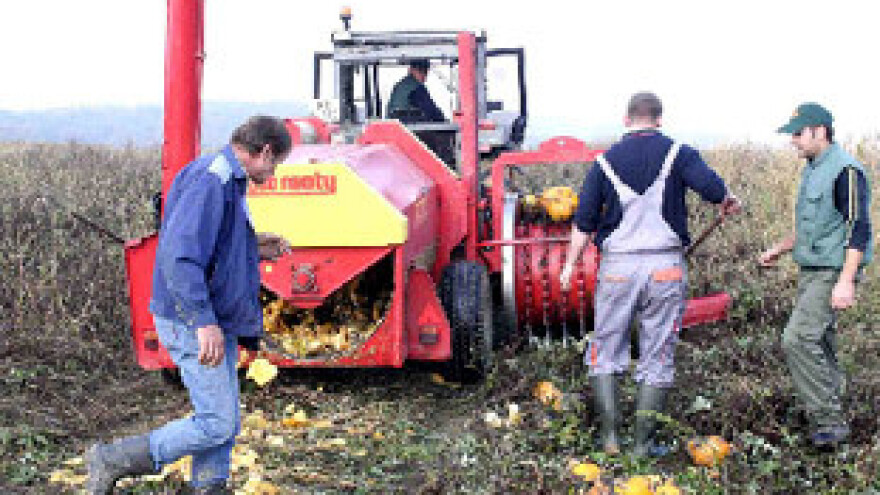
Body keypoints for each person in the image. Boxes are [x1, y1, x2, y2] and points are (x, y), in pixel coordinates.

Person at [86, 116, 293, 494]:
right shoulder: (210, 182)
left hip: (213, 315)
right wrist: (203, 322)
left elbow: (209, 245)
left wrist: (254, 246)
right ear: (264, 151)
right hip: (192, 318)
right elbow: (180, 257)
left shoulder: (224, 179)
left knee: (224, 417)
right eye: (275, 165)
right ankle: (114, 458)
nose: (273, 174)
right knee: (216, 421)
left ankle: (209, 485)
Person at [560, 92, 741, 456]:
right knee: (657, 352)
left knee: (606, 347)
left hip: (617, 271)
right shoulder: (679, 154)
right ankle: (643, 445)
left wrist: (568, 266)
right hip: (665, 269)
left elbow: (584, 222)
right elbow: (714, 189)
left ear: (626, 120)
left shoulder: (604, 162)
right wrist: (727, 199)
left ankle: (610, 438)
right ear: (659, 120)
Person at [760, 103, 872, 448]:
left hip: (832, 271)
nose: (793, 141)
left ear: (819, 131)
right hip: (812, 269)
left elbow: (860, 229)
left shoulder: (846, 171)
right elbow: (819, 226)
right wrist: (779, 248)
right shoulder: (812, 168)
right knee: (820, 342)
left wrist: (846, 281)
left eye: (798, 134)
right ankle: (832, 413)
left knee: (797, 338)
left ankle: (829, 421)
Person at [386, 59, 445, 123]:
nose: (424, 75)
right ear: (411, 70)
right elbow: (432, 111)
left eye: (425, 71)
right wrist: (445, 124)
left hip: (396, 126)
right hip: (408, 127)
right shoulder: (415, 87)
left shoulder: (402, 85)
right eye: (420, 70)